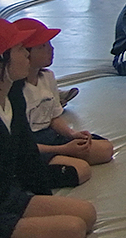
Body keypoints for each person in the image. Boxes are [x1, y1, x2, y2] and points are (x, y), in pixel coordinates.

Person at [0, 19, 98, 238]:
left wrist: (41, 198)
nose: (26, 54)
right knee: (72, 229)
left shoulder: (13, 94)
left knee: (87, 214)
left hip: (8, 194)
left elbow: (27, 153)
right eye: (19, 49)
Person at [15, 19, 114, 186]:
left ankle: (62, 157)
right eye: (42, 47)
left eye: (49, 44)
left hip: (49, 136)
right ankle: (28, 175)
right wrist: (62, 150)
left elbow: (53, 117)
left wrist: (71, 134)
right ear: (25, 54)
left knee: (105, 149)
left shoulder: (47, 77)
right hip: (31, 145)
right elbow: (21, 143)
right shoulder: (16, 92)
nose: (51, 49)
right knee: (80, 170)